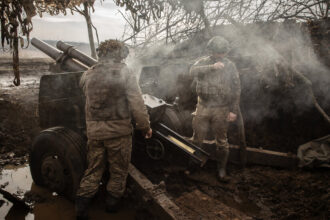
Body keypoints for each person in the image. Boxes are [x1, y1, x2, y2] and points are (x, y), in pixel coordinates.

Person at [75, 39, 152, 219]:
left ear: (101, 54)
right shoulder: (125, 73)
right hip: (119, 134)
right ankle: (111, 208)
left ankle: (81, 210)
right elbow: (137, 103)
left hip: (95, 133)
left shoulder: (88, 74)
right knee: (119, 171)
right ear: (121, 55)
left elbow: (84, 92)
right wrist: (145, 127)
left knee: (93, 170)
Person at [189, 36, 241, 181]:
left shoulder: (230, 66)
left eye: (222, 52)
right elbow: (191, 72)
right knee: (197, 138)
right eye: (217, 52)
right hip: (203, 106)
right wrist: (212, 67)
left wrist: (233, 111)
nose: (220, 55)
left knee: (222, 142)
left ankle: (221, 170)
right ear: (211, 51)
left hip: (221, 108)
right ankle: (193, 164)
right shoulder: (203, 62)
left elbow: (237, 89)